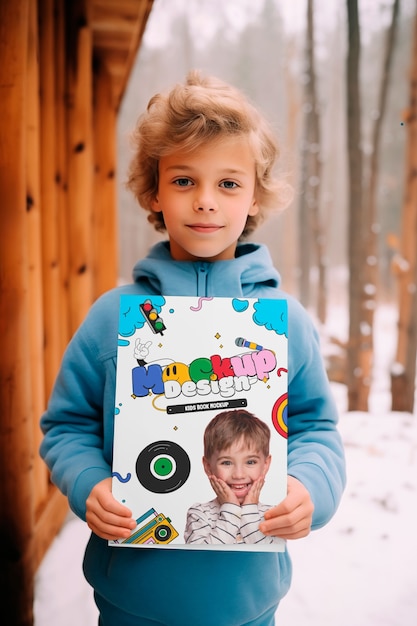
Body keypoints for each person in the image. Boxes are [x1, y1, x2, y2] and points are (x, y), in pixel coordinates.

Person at [40, 70, 346, 626]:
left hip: (248, 606)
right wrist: (89, 483)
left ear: (255, 195)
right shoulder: (113, 318)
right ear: (154, 190)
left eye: (228, 183)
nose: (206, 201)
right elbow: (66, 426)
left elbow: (316, 427)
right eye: (184, 180)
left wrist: (309, 487)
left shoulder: (285, 325)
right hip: (131, 601)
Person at [185, 409, 282, 546]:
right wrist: (230, 509)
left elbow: (267, 557)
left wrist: (249, 510)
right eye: (226, 463)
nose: (238, 475)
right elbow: (203, 559)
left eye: (250, 462)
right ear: (208, 466)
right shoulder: (199, 514)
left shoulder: (274, 515)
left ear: (265, 465)